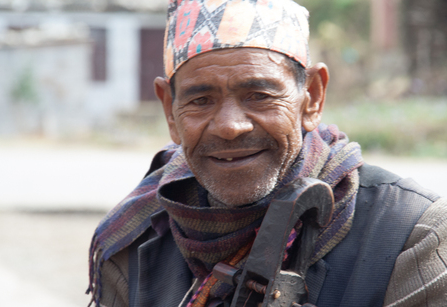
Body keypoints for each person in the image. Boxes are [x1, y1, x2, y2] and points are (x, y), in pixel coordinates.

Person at [87, 0, 447, 306]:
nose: (230, 126)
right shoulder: (133, 241)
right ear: (170, 111)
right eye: (201, 100)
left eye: (259, 96)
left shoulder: (410, 236)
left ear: (313, 97)